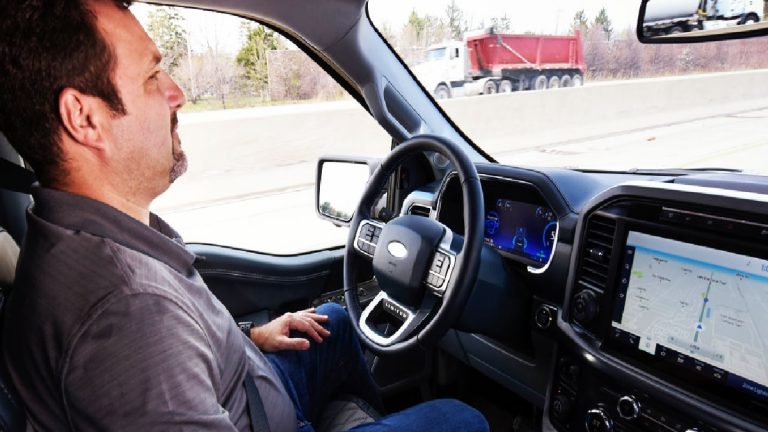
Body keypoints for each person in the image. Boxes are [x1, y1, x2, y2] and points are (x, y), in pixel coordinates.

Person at [0, 0, 490, 431]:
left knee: (335, 324)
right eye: (152, 77)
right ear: (84, 118)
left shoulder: (82, 233)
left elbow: (181, 345)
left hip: (247, 396)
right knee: (463, 418)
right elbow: (149, 345)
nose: (177, 93)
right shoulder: (126, 319)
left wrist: (251, 340)